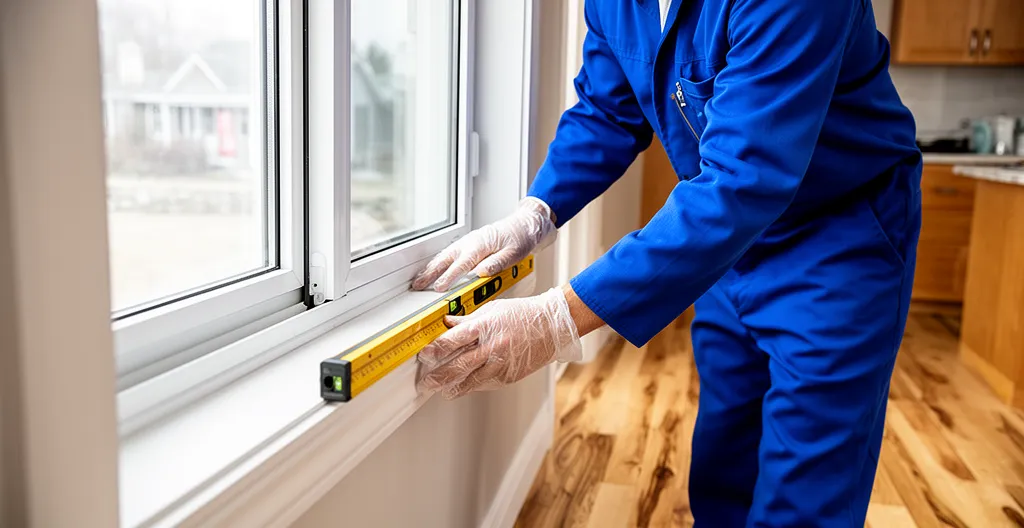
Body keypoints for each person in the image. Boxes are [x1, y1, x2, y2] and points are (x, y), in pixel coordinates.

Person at [412, 0, 922, 525]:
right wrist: (536, 214)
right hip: (726, 245)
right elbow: (606, 113)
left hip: (836, 237)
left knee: (808, 476)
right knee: (727, 450)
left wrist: (559, 318)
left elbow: (741, 181)